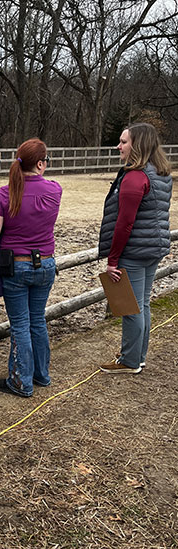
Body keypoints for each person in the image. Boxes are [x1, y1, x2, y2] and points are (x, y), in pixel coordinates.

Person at [0, 138, 62, 397]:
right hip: (46, 264)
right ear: (40, 164)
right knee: (37, 320)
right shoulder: (55, 190)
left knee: (20, 324)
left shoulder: (5, 194)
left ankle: (21, 382)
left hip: (16, 267)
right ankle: (41, 375)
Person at [99, 122, 173, 374]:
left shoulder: (135, 177)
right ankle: (137, 356)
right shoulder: (160, 174)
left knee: (130, 307)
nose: (118, 146)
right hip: (153, 248)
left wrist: (113, 259)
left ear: (137, 145)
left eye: (124, 142)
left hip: (135, 251)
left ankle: (130, 361)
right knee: (143, 304)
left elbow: (125, 222)